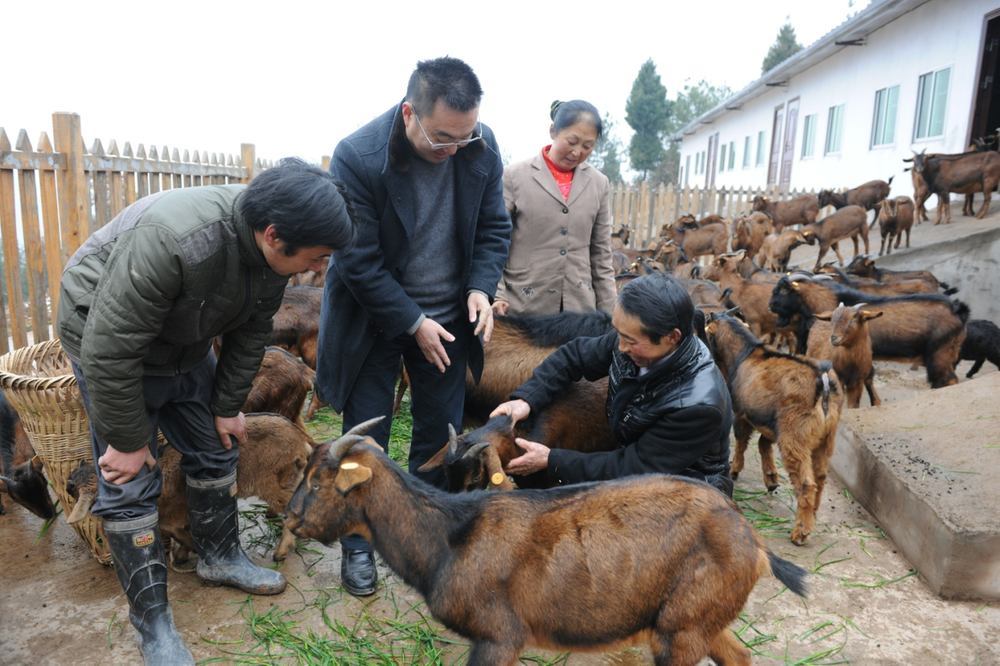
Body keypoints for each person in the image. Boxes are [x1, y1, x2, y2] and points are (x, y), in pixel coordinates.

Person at [56, 158, 358, 666]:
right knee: (128, 482)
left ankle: (220, 558)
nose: (318, 270)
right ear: (273, 236)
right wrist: (129, 441)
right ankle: (152, 624)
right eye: (317, 257)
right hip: (106, 338)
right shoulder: (176, 240)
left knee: (219, 447)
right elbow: (111, 347)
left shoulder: (268, 256)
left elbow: (250, 332)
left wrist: (224, 407)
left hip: (185, 341)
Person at [315, 56, 511, 597]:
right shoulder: (358, 157)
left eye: (465, 137)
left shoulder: (479, 144)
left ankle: (419, 536)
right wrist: (411, 320)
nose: (455, 149)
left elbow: (494, 227)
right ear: (409, 114)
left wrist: (480, 287)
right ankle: (358, 543)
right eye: (443, 138)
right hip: (374, 317)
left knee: (437, 432)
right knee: (365, 437)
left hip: (448, 319)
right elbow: (357, 261)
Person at [491, 272, 735, 496]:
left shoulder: (699, 405)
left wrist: (553, 460)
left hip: (683, 490)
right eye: (618, 333)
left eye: (629, 340)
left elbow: (636, 467)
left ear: (672, 337)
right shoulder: (632, 341)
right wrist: (525, 399)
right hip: (635, 459)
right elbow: (574, 356)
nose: (619, 347)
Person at [493, 100, 616, 316]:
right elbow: (495, 243)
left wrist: (611, 312)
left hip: (579, 311)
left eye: (587, 146)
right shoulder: (514, 177)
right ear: (553, 131)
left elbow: (601, 255)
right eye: (572, 141)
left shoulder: (599, 183)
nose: (577, 152)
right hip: (522, 306)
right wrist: (497, 295)